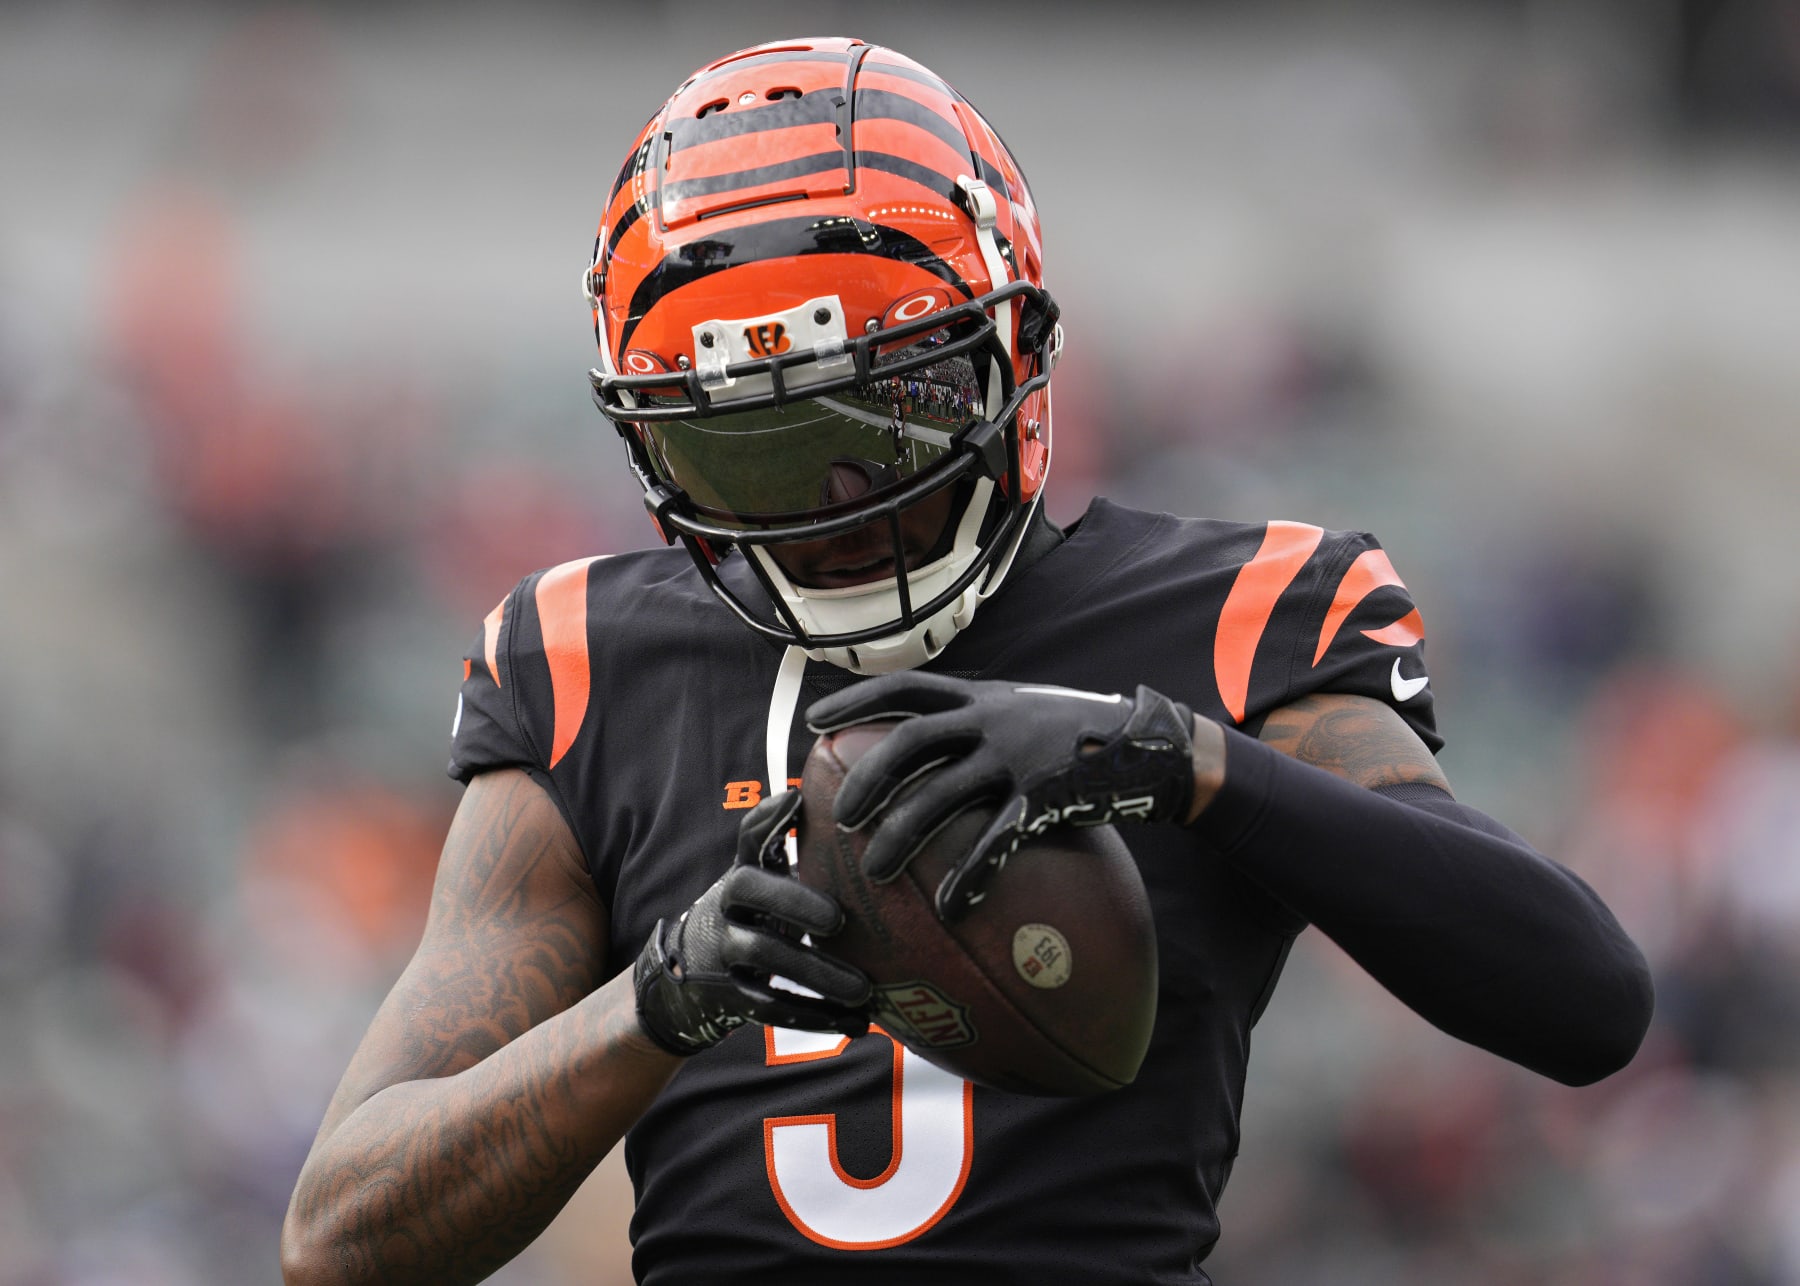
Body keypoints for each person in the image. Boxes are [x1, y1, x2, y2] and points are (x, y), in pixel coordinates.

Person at [280, 37, 1653, 1286]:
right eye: (737, 447)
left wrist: (1179, 758)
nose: (822, 508)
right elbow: (340, 1236)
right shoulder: (584, 659)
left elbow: (1584, 996)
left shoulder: (1239, 612)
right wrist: (661, 994)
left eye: (873, 421)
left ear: (1015, 353)